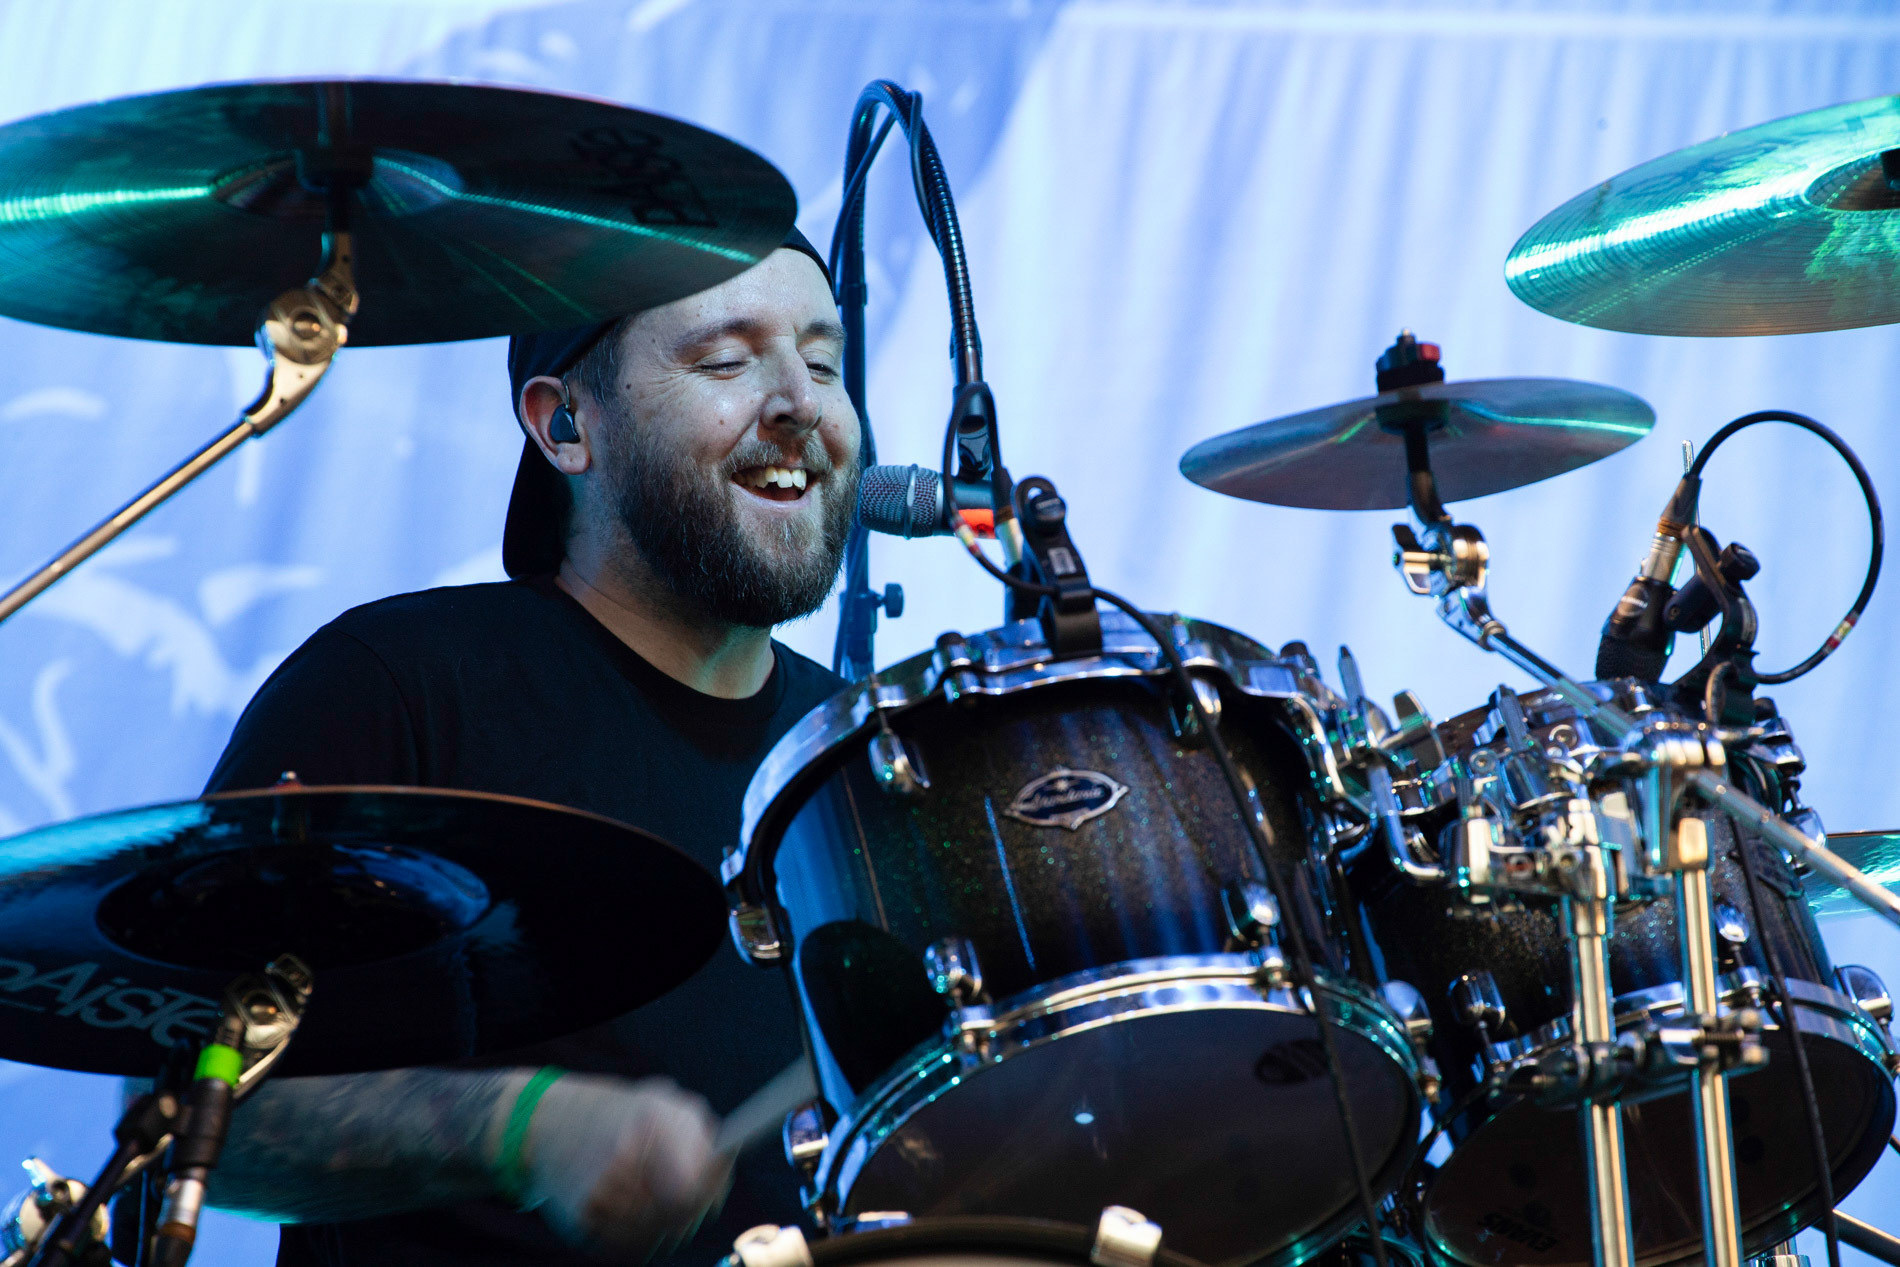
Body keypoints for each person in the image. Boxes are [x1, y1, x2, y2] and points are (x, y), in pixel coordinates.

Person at [192, 228, 861, 1267]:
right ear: (563, 426)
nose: (798, 402)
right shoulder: (399, 683)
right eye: (726, 361)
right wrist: (520, 1128)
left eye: (822, 361)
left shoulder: (860, 755)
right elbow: (198, 1107)